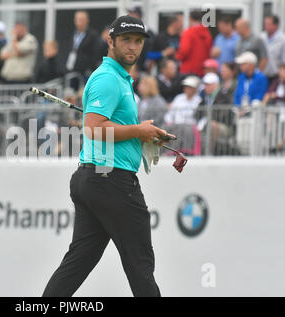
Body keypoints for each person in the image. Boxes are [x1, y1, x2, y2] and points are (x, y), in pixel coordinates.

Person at [43, 15, 165, 297]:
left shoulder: (120, 78)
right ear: (110, 42)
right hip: (111, 181)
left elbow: (107, 126)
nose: (133, 47)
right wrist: (138, 131)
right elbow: (95, 128)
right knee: (140, 265)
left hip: (95, 179)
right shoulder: (108, 78)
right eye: (126, 41)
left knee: (77, 264)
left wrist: (144, 135)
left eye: (138, 41)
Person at [196, 72, 235, 155]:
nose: (206, 87)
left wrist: (208, 118)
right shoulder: (205, 97)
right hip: (206, 124)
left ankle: (209, 153)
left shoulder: (224, 95)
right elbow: (197, 112)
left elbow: (223, 114)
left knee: (212, 125)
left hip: (225, 126)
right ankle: (194, 152)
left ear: (215, 85)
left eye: (208, 85)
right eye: (205, 85)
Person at [175, 11, 212, 77]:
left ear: (190, 19)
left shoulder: (188, 33)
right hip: (202, 70)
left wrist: (177, 56)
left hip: (188, 70)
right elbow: (210, 50)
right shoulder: (207, 33)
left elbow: (184, 50)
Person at [65, 11, 100, 78]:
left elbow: (96, 54)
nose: (80, 22)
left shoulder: (93, 35)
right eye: (78, 19)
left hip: (86, 72)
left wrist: (89, 69)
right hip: (72, 69)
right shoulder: (73, 34)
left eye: (82, 19)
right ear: (75, 21)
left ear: (87, 21)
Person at [261, 15, 285, 82]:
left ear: (275, 25)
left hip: (276, 76)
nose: (266, 26)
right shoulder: (262, 37)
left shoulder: (282, 39)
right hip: (263, 74)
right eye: (265, 24)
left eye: (268, 24)